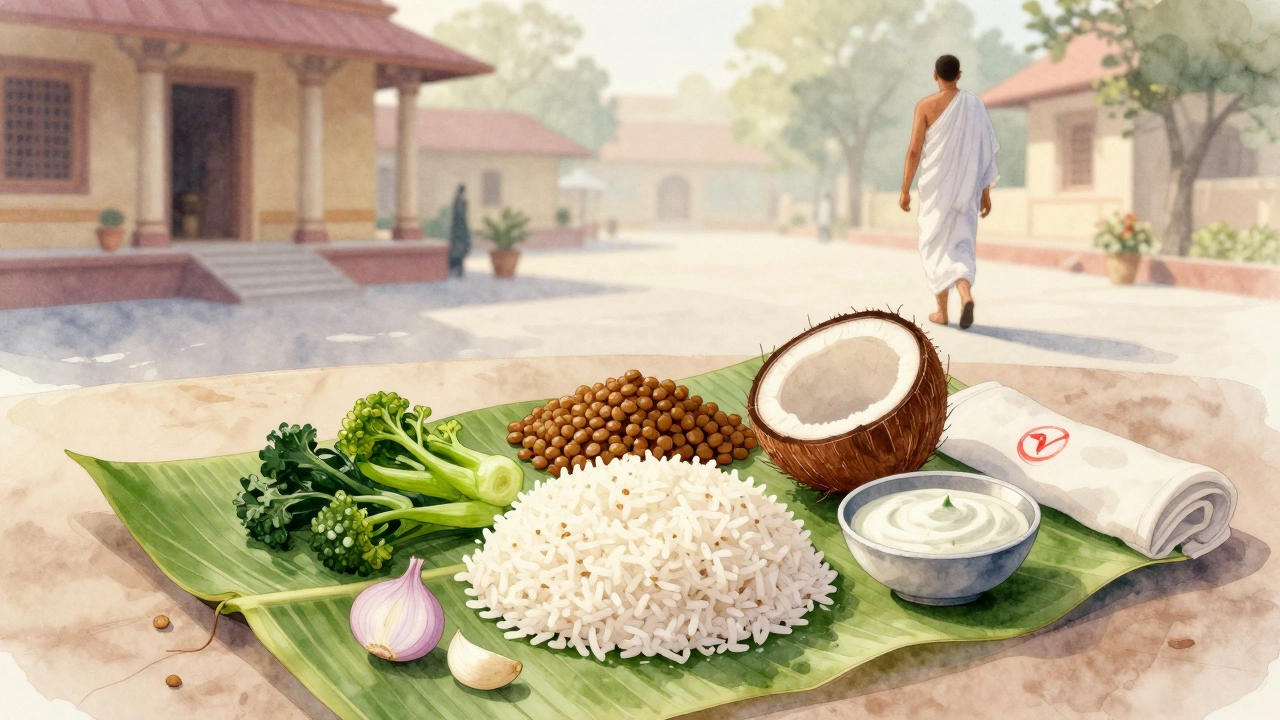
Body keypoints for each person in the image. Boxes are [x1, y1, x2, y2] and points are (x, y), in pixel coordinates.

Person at [899, 54, 999, 330]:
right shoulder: (974, 104)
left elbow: (914, 151)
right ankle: (965, 295)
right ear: (959, 74)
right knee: (961, 245)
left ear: (935, 75)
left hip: (936, 190)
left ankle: (942, 312)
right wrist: (985, 192)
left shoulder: (926, 106)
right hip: (966, 189)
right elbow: (984, 152)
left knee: (936, 246)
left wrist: (905, 189)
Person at [448, 184, 471, 278]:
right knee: (457, 249)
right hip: (458, 229)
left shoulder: (461, 200)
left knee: (461, 250)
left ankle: (459, 268)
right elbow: (458, 214)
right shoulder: (458, 201)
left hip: (461, 229)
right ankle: (455, 267)